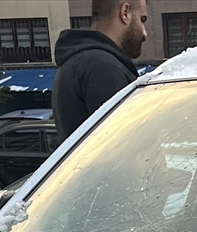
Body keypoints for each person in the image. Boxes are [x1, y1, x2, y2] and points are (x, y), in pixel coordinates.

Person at [51, 0, 148, 140]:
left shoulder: (76, 62)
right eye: (142, 19)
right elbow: (124, 144)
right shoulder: (105, 68)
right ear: (125, 12)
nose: (145, 34)